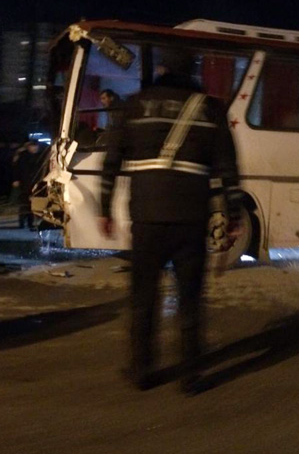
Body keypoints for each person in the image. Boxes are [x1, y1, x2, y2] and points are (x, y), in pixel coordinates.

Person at [98, 48, 244, 394]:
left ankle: (142, 371)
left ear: (162, 69)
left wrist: (104, 209)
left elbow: (111, 161)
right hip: (192, 220)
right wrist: (234, 214)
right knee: (190, 298)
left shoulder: (134, 105)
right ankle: (190, 377)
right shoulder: (211, 109)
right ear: (191, 72)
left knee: (143, 298)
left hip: (147, 219)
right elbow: (228, 169)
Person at [12, 139, 42, 230]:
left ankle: (30, 222)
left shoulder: (39, 156)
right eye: (33, 146)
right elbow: (16, 169)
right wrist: (15, 179)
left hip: (35, 182)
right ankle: (21, 222)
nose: (34, 148)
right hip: (24, 182)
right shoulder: (22, 156)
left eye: (35, 146)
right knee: (24, 203)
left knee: (32, 203)